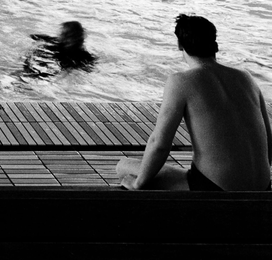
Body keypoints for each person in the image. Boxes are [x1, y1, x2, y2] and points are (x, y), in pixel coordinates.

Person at [116, 14, 272, 191]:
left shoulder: (181, 81)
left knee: (124, 166)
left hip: (216, 189)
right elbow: (269, 141)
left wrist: (138, 184)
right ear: (214, 43)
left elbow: (159, 144)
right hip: (262, 188)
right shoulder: (246, 78)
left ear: (179, 45)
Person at [23, 21, 96, 77]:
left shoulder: (55, 42)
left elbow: (34, 36)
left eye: (61, 33)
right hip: (51, 69)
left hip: (45, 63)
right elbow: (89, 69)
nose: (59, 34)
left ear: (66, 37)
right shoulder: (85, 56)